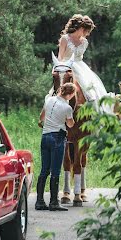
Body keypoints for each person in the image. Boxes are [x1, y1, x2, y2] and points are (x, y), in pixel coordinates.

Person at [52, 14, 111, 112]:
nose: (87, 34)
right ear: (81, 28)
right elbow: (60, 56)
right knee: (55, 88)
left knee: (90, 85)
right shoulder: (65, 39)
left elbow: (80, 57)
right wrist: (61, 67)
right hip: (65, 65)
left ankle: (92, 104)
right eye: (87, 31)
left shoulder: (84, 42)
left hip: (80, 66)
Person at [35, 82, 76, 212]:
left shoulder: (49, 100)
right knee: (55, 170)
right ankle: (54, 202)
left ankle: (39, 201)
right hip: (57, 137)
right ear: (69, 94)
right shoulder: (67, 107)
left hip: (45, 136)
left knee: (44, 170)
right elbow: (70, 125)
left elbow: (42, 117)